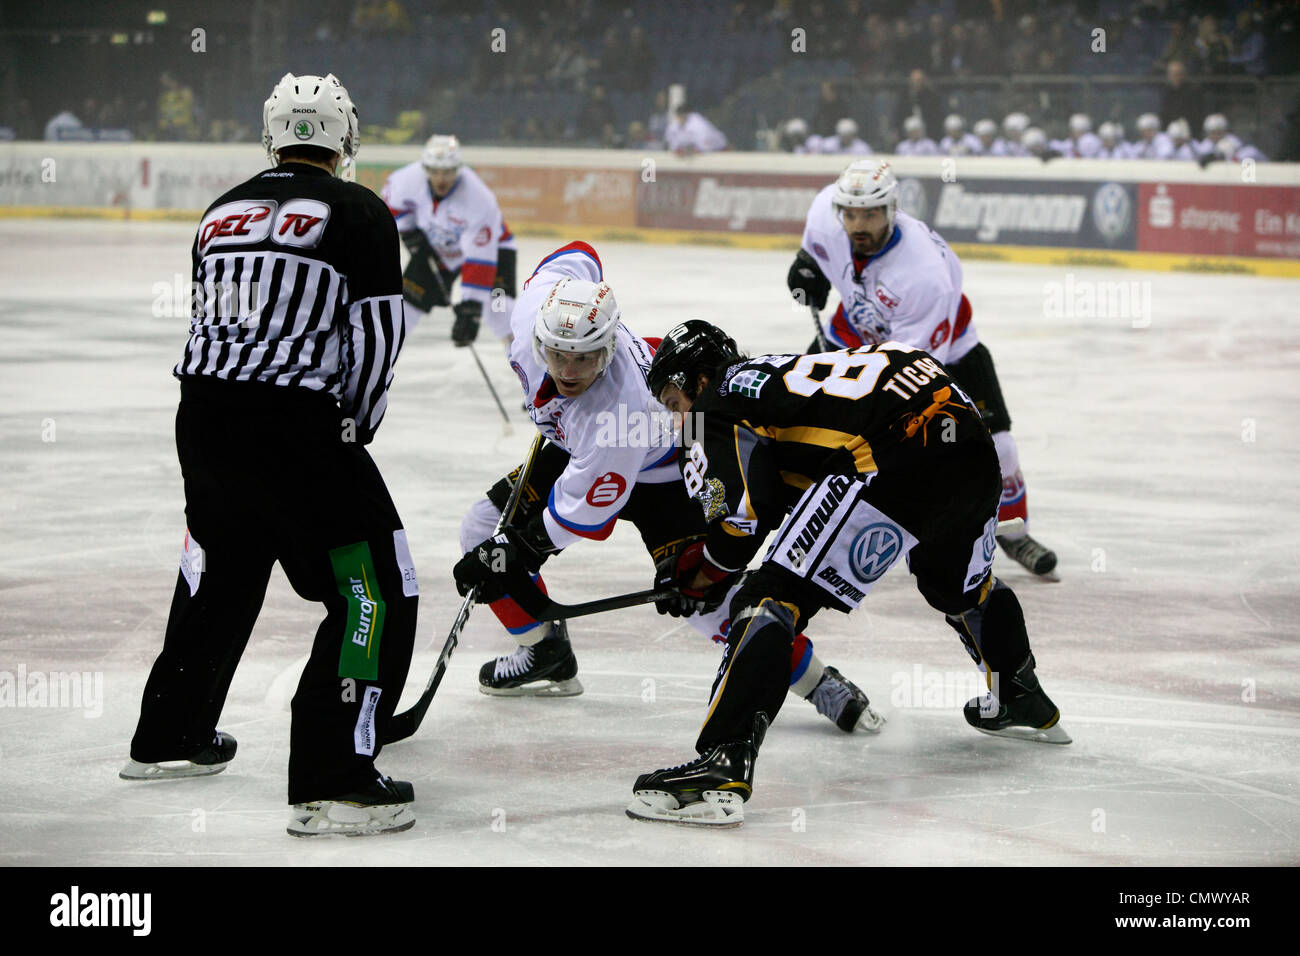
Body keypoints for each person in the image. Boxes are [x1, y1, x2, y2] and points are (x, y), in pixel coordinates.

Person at [120, 73, 420, 837]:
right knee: (373, 587)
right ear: (344, 137)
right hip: (296, 427)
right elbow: (376, 343)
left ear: (272, 134)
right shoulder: (359, 210)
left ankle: (170, 735)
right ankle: (334, 779)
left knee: (222, 572)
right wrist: (352, 430)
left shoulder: (221, 210)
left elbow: (208, 320)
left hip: (204, 420)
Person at [627, 321, 1070, 826]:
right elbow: (778, 492)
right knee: (956, 583)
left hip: (893, 450)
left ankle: (721, 766)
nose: (678, 417)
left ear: (698, 380)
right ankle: (1021, 694)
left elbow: (744, 521)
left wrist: (699, 575)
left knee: (770, 598)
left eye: (672, 400)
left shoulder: (717, 400)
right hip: (964, 433)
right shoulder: (778, 377)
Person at [450, 241, 883, 734]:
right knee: (480, 528)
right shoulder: (536, 308)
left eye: (586, 358)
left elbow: (580, 515)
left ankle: (816, 681)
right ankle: (544, 651)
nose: (568, 372)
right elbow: (579, 252)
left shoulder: (618, 411)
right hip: (580, 448)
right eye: (558, 354)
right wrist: (507, 547)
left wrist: (519, 550)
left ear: (609, 345)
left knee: (706, 602)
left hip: (666, 470)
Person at [786, 160, 1057, 575]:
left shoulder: (925, 275)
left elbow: (910, 371)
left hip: (947, 354)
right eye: (851, 214)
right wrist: (807, 267)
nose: (858, 224)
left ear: (892, 210)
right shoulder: (826, 211)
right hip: (854, 332)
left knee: (998, 447)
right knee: (803, 416)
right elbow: (815, 250)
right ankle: (803, 518)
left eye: (871, 214)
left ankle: (1014, 536)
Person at [381, 133, 517, 347]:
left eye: (447, 172)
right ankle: (378, 361)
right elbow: (393, 207)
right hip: (438, 251)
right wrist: (410, 234)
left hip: (495, 252)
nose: (441, 179)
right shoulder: (405, 181)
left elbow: (480, 257)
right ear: (425, 169)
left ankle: (530, 365)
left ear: (458, 169)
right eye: (435, 172)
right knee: (406, 305)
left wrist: (470, 309)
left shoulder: (479, 198)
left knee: (498, 307)